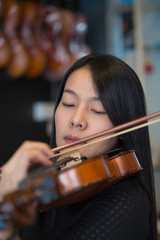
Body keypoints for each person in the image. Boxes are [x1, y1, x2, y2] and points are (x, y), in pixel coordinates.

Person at [0, 53, 157, 240]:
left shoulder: (127, 203)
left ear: (124, 126)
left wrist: (4, 221)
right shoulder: (46, 183)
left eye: (98, 110)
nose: (76, 120)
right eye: (68, 104)